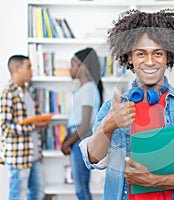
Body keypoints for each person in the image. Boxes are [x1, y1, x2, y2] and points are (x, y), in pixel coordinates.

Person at [79, 9, 174, 199]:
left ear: (168, 57)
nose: (149, 62)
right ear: (130, 57)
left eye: (157, 53)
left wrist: (155, 180)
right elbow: (94, 161)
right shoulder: (113, 108)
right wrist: (109, 125)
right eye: (140, 54)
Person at [0, 55, 50, 200]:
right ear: (16, 69)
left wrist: (41, 123)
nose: (31, 71)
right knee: (18, 196)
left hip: (34, 154)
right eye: (28, 67)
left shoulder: (29, 92)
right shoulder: (8, 94)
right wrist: (32, 127)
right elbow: (5, 128)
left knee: (38, 194)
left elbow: (34, 119)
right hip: (18, 157)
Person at [61, 47, 103, 200]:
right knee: (81, 188)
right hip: (77, 139)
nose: (70, 69)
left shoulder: (88, 89)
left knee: (81, 190)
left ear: (83, 66)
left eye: (72, 65)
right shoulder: (84, 88)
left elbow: (85, 125)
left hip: (80, 140)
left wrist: (67, 143)